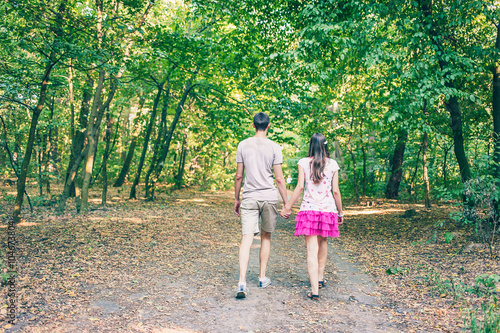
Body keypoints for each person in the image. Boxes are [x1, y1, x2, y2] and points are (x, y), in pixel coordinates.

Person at [280, 133, 344, 300]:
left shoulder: (303, 163)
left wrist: (288, 207)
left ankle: (315, 289)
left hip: (309, 210)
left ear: (311, 145)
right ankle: (320, 277)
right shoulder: (333, 164)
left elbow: (299, 187)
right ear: (325, 146)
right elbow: (335, 191)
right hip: (328, 211)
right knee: (323, 242)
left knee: (311, 250)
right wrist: (340, 212)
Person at [234, 112, 288, 299]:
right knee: (266, 237)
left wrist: (236, 198)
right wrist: (286, 202)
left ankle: (242, 281)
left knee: (246, 239)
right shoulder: (274, 147)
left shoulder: (243, 145)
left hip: (249, 197)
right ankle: (262, 277)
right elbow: (279, 178)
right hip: (268, 197)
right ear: (269, 126)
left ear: (253, 125)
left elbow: (239, 175)